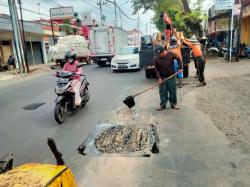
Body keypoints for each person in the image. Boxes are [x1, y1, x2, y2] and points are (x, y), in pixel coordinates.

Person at [154, 46, 183, 111]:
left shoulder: (171, 54)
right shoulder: (156, 58)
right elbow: (156, 69)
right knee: (162, 91)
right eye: (157, 54)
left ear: (163, 51)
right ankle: (163, 105)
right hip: (162, 78)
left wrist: (180, 68)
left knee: (172, 90)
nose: (159, 56)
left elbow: (179, 59)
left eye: (160, 54)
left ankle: (173, 104)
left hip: (171, 76)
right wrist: (159, 78)